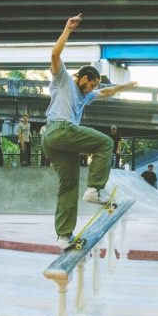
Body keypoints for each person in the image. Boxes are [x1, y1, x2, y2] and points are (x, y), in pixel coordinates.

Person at [40, 13, 137, 249]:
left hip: (52, 142)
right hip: (60, 129)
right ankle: (95, 189)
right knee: (105, 143)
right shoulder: (63, 80)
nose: (91, 89)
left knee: (69, 184)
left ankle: (64, 236)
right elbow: (55, 55)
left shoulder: (86, 96)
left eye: (93, 86)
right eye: (90, 84)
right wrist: (68, 29)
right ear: (81, 78)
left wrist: (125, 86)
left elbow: (105, 93)